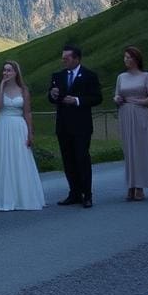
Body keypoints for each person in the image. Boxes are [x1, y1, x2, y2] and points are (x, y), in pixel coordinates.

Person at [48, 44, 102, 207]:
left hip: (81, 125)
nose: (63, 61)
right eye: (63, 58)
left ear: (76, 59)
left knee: (82, 158)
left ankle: (87, 194)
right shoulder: (58, 75)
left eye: (67, 58)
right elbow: (51, 97)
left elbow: (97, 98)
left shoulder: (89, 75)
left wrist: (77, 100)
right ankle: (74, 192)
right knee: (68, 160)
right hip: (63, 125)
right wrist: (52, 94)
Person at [0, 60, 45, 211]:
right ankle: (3, 198)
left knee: (20, 159)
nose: (6, 73)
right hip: (3, 125)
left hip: (19, 126)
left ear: (16, 73)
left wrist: (30, 132)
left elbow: (27, 112)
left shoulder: (23, 90)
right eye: (4, 70)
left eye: (9, 70)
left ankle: (23, 197)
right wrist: (1, 87)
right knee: (3, 160)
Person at [112, 46, 148, 200]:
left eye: (129, 57)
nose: (126, 60)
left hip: (140, 113)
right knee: (129, 150)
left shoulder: (146, 76)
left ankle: (140, 186)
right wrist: (117, 99)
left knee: (140, 150)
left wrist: (140, 102)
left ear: (136, 59)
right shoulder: (121, 77)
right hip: (125, 113)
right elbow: (117, 94)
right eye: (125, 57)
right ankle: (131, 184)